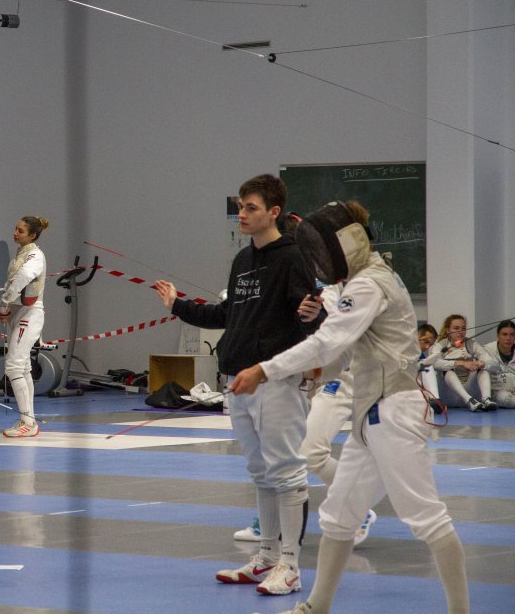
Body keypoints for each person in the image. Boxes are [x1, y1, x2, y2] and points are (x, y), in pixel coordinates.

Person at [229, 200, 469, 614]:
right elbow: (346, 353)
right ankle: (317, 606)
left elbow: (328, 341)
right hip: (369, 413)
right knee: (339, 515)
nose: (320, 260)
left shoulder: (368, 284)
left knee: (426, 517)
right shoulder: (364, 280)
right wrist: (312, 375)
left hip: (394, 413)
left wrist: (265, 369)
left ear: (346, 244)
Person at [154, 174, 322, 597]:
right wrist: (177, 305)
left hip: (275, 378)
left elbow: (312, 318)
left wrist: (311, 315)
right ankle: (266, 557)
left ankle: (290, 566)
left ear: (274, 212)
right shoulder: (242, 260)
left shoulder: (293, 258)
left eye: (251, 208)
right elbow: (227, 315)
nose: (242, 215)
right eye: (240, 207)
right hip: (237, 379)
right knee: (261, 471)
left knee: (286, 471)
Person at [297, 284, 376, 547]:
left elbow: (335, 334)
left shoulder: (333, 290)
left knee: (311, 452)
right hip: (301, 376)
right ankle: (269, 520)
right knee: (278, 453)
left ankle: (357, 507)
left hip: (337, 377)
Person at [0, 216, 49, 437]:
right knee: (23, 367)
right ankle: (29, 421)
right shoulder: (20, 254)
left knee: (14, 367)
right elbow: (13, 282)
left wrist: (5, 302)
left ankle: (28, 423)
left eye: (20, 231)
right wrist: (5, 308)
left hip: (31, 313)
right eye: (15, 228)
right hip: (19, 313)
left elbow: (25, 275)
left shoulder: (35, 255)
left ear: (33, 235)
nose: (15, 233)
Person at [430, 314, 498, 411]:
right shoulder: (440, 345)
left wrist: (482, 363)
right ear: (448, 330)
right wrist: (461, 363)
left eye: (463, 328)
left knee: (483, 369)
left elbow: (495, 365)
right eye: (456, 328)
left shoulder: (471, 344)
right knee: (447, 370)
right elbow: (433, 363)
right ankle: (469, 400)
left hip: (469, 391)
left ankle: (486, 400)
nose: (460, 331)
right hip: (448, 395)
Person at [483, 319, 515, 408]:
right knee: (506, 399)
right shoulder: (487, 350)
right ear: (498, 335)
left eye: (512, 335)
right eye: (504, 334)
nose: (508, 338)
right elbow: (483, 370)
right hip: (498, 392)